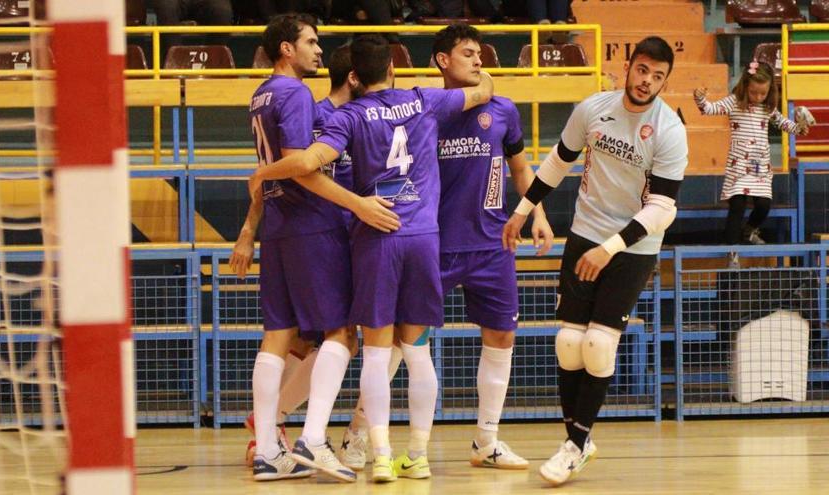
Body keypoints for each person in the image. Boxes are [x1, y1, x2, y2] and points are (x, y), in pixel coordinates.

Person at [247, 34, 494, 482]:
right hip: (421, 235)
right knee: (416, 352)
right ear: (394, 69)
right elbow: (484, 90)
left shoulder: (348, 116)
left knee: (372, 352)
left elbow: (307, 163)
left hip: (373, 236)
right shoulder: (424, 100)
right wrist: (475, 67)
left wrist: (264, 172)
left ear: (355, 76)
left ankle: (376, 453)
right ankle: (416, 454)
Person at [504, 36, 688, 486]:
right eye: (642, 69)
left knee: (599, 345)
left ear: (665, 80)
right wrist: (522, 211)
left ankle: (574, 444)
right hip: (585, 231)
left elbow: (663, 208)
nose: (647, 81)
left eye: (658, 76)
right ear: (629, 66)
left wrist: (611, 248)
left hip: (633, 245)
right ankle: (578, 443)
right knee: (568, 343)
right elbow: (557, 162)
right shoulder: (593, 109)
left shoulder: (669, 129)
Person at [232, 14, 397, 483]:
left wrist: (252, 225)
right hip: (312, 225)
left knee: (279, 335)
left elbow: (272, 170)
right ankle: (313, 437)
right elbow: (302, 167)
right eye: (310, 42)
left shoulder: (259, 94)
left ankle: (268, 448)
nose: (317, 50)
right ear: (287, 49)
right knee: (342, 331)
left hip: (281, 226)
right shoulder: (296, 94)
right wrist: (358, 205)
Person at [434, 23, 553, 469]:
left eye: (480, 53)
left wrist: (537, 213)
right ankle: (359, 436)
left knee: (502, 335)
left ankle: (486, 440)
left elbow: (522, 171)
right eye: (467, 53)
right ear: (443, 60)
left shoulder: (503, 111)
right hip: (436, 243)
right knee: (403, 338)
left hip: (493, 243)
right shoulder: (428, 109)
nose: (479, 60)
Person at [694, 60, 810, 265]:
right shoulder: (734, 102)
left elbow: (785, 124)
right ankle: (732, 253)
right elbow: (710, 109)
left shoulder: (767, 108)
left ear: (768, 92)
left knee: (764, 204)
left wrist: (800, 128)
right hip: (739, 166)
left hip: (761, 167)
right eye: (754, 92)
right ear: (745, 86)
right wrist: (700, 99)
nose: (757, 97)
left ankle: (749, 231)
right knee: (737, 205)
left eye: (762, 94)